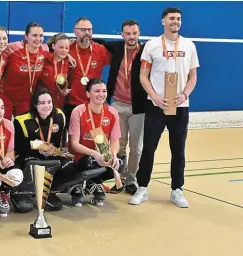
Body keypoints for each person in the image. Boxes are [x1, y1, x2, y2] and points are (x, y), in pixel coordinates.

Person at [129, 7, 199, 208]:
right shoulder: (152, 45)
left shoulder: (189, 45)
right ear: (163, 21)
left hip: (180, 106)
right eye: (171, 18)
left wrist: (184, 94)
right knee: (149, 148)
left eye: (178, 18)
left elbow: (193, 77)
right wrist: (155, 97)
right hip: (156, 106)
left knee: (178, 149)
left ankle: (177, 190)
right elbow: (143, 76)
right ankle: (142, 188)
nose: (175, 21)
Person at [12, 88, 89, 212]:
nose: (46, 106)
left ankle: (49, 189)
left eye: (49, 102)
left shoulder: (60, 116)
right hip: (29, 157)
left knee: (70, 166)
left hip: (52, 156)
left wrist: (62, 151)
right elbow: (18, 148)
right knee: (33, 165)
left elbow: (61, 142)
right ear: (35, 104)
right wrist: (38, 151)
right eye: (42, 103)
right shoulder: (21, 121)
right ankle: (22, 192)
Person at [94, 20, 147, 195]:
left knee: (136, 148)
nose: (131, 37)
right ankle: (119, 179)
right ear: (122, 34)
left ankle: (131, 180)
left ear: (139, 34)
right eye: (128, 33)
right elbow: (98, 41)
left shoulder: (146, 50)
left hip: (139, 107)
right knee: (119, 145)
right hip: (117, 104)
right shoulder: (117, 47)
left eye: (135, 33)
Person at [69, 78, 121, 206]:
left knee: (120, 163)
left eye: (104, 91)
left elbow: (115, 141)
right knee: (88, 162)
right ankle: (77, 184)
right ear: (88, 94)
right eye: (97, 91)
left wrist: (113, 155)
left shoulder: (112, 112)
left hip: (101, 154)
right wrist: (94, 154)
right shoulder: (78, 112)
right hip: (81, 156)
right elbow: (74, 144)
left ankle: (94, 182)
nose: (101, 94)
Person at [65, 17, 111, 128]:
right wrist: (66, 54)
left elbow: (120, 59)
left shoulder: (100, 50)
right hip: (70, 103)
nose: (87, 33)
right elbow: (48, 49)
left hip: (93, 104)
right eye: (83, 30)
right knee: (71, 140)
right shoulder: (67, 49)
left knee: (91, 139)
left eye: (89, 30)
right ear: (75, 31)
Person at [0, 22, 49, 119]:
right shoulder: (13, 48)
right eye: (34, 35)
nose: (38, 39)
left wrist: (68, 55)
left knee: (23, 128)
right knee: (4, 128)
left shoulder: (45, 50)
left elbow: (59, 48)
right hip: (6, 96)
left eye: (41, 36)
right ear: (26, 36)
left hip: (26, 99)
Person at [39, 33, 71, 110]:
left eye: (67, 48)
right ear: (53, 46)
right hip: (42, 104)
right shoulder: (44, 58)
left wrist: (64, 90)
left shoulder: (67, 62)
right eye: (61, 47)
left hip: (59, 106)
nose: (64, 50)